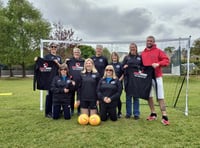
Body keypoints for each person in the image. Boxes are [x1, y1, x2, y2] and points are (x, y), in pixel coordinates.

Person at [141, 35, 170, 125]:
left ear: (153, 42)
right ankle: (153, 113)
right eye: (147, 41)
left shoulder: (158, 51)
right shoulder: (143, 53)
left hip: (157, 77)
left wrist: (158, 64)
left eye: (151, 41)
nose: (149, 42)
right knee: (149, 96)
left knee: (160, 97)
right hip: (147, 78)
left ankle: (164, 116)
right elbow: (141, 65)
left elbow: (166, 61)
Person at [122, 43, 142, 120]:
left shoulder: (140, 57)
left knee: (136, 97)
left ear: (136, 48)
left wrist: (140, 69)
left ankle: (136, 113)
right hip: (128, 80)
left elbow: (143, 67)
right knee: (128, 97)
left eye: (133, 47)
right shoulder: (126, 57)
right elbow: (122, 67)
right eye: (131, 47)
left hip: (137, 80)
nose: (132, 48)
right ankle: (128, 113)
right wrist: (124, 67)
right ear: (129, 48)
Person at [44, 43, 62, 118]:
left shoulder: (59, 57)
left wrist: (57, 63)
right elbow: (43, 66)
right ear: (50, 48)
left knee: (57, 96)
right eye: (52, 47)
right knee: (49, 96)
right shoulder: (47, 57)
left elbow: (61, 67)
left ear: (57, 48)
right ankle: (48, 112)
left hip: (57, 79)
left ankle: (56, 110)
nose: (53, 48)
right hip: (49, 80)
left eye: (55, 47)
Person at [66, 47, 84, 115]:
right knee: (71, 97)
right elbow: (65, 70)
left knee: (79, 97)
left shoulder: (83, 61)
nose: (76, 53)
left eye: (78, 52)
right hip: (72, 82)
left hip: (80, 83)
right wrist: (69, 79)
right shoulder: (69, 61)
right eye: (75, 52)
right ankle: (72, 110)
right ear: (73, 53)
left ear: (80, 53)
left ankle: (79, 110)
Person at [110, 52, 124, 118]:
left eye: (115, 56)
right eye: (113, 56)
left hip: (118, 84)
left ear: (117, 57)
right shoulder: (109, 64)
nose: (114, 57)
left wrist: (119, 80)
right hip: (111, 84)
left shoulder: (120, 64)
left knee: (117, 98)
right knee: (111, 98)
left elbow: (123, 74)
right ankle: (111, 112)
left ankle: (119, 112)